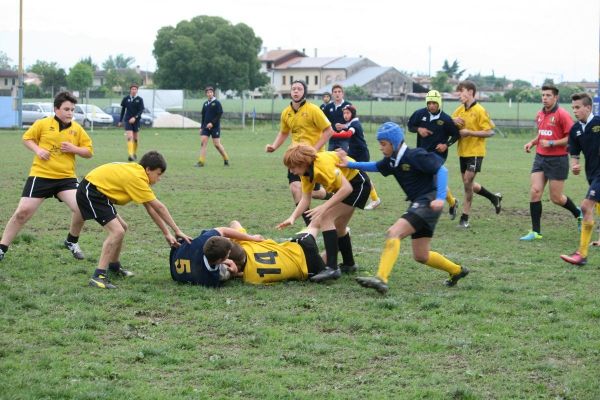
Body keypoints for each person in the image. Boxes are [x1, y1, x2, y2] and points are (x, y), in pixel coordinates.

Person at [339, 122, 469, 294]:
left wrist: (439, 198)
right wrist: (349, 164)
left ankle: (381, 279)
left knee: (394, 232)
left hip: (427, 202)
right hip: (423, 205)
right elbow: (375, 166)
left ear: (394, 143)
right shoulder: (392, 161)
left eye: (383, 144)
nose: (380, 147)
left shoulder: (415, 155)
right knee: (421, 255)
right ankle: (457, 271)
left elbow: (442, 170)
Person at [76, 151, 192, 289]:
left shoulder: (139, 175)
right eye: (158, 174)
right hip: (92, 192)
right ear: (148, 169)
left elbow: (151, 208)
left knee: (122, 227)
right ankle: (98, 277)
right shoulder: (137, 178)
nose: (159, 178)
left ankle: (114, 266)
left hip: (99, 192)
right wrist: (177, 230)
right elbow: (159, 207)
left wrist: (167, 233)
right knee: (117, 231)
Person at [0, 91, 93, 262]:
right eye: (66, 109)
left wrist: (75, 149)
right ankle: (2, 248)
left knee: (82, 207)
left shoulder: (77, 129)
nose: (70, 113)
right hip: (41, 175)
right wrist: (38, 150)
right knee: (22, 212)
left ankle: (71, 241)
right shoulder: (42, 124)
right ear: (56, 109)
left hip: (66, 178)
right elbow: (27, 138)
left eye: (72, 109)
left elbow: (89, 152)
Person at [277, 144, 372, 282]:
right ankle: (349, 264)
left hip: (358, 185)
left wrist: (324, 207)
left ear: (303, 163)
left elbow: (347, 189)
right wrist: (292, 217)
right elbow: (305, 198)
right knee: (339, 227)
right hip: (349, 187)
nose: (291, 171)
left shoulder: (322, 165)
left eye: (293, 167)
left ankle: (332, 268)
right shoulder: (306, 173)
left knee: (326, 217)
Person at [265, 80, 334, 225]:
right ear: (290, 92)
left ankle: (326, 194)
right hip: (295, 158)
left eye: (299, 89)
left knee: (311, 192)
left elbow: (329, 131)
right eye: (293, 89)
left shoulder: (313, 110)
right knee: (295, 188)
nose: (296, 91)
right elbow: (284, 133)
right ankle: (310, 226)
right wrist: (274, 146)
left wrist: (313, 150)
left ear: (304, 92)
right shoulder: (286, 113)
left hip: (313, 158)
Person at [520, 84, 580, 241]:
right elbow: (542, 134)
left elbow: (571, 137)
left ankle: (578, 213)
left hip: (558, 160)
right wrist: (532, 143)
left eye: (548, 95)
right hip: (540, 157)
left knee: (556, 198)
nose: (544, 98)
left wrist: (552, 143)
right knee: (535, 191)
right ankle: (535, 232)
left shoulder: (562, 115)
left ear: (556, 97)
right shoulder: (540, 114)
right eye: (543, 95)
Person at [451, 80, 502, 228]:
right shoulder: (459, 110)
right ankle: (494, 198)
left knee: (467, 182)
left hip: (475, 152)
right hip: (463, 152)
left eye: (462, 91)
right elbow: (449, 124)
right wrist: (452, 121)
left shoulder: (480, 110)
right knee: (469, 184)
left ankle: (465, 217)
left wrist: (469, 132)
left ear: (470, 92)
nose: (459, 95)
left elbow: (490, 131)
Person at [560, 93, 600, 266]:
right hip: (591, 172)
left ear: (588, 108)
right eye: (573, 107)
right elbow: (574, 153)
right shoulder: (575, 129)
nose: (574, 111)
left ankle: (581, 254)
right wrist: (574, 165)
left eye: (577, 107)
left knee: (586, 206)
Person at [408, 90, 460, 219]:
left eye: (434, 103)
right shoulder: (419, 114)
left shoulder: (446, 119)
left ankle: (424, 207)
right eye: (429, 103)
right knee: (432, 181)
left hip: (438, 155)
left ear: (439, 104)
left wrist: (445, 145)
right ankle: (452, 202)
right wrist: (418, 129)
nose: (431, 106)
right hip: (421, 154)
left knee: (432, 180)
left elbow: (456, 134)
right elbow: (410, 126)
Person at [221, 220, 327, 284]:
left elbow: (244, 272)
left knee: (334, 248)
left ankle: (339, 240)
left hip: (308, 269)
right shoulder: (246, 243)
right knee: (317, 221)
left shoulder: (251, 278)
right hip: (300, 246)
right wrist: (243, 238)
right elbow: (234, 223)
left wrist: (235, 273)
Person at [169, 224, 265, 287]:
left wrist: (252, 238)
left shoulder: (202, 242)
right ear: (221, 260)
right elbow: (229, 273)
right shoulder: (212, 278)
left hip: (176, 256)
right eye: (228, 254)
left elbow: (223, 230)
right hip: (175, 258)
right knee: (227, 272)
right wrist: (235, 272)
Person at [332, 104, 382, 210]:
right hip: (354, 153)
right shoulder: (352, 123)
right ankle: (341, 194)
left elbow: (347, 135)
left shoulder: (355, 124)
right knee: (346, 172)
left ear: (353, 114)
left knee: (364, 177)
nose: (345, 115)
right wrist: (342, 127)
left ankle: (375, 199)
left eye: (347, 113)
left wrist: (331, 134)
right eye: (344, 113)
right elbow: (347, 130)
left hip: (361, 154)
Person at [196, 86, 230, 167]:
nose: (209, 94)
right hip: (205, 127)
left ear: (213, 93)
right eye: (208, 92)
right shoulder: (205, 104)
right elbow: (203, 117)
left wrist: (212, 123)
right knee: (203, 143)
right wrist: (201, 127)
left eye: (211, 92)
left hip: (215, 127)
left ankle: (226, 159)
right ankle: (201, 162)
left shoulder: (217, 103)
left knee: (217, 145)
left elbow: (219, 114)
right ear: (206, 94)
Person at [119, 84, 145, 162]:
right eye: (132, 89)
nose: (134, 90)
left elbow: (141, 111)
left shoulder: (140, 99)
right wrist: (120, 120)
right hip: (127, 120)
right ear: (130, 90)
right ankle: (130, 155)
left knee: (135, 139)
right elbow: (123, 110)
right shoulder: (126, 99)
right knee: (130, 137)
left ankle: (134, 153)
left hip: (136, 121)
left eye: (135, 89)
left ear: (137, 90)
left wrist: (135, 117)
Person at [324, 84, 352, 151]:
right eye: (335, 92)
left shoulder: (348, 106)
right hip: (332, 138)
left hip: (344, 139)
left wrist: (344, 126)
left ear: (343, 94)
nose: (337, 94)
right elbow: (324, 122)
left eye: (339, 92)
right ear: (332, 94)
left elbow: (354, 123)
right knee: (330, 158)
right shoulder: (328, 107)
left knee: (344, 159)